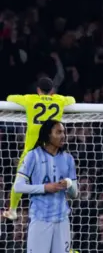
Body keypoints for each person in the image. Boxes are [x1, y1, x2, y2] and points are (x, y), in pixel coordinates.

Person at [13, 119, 78, 253]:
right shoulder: (33, 156)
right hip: (40, 217)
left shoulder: (68, 159)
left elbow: (75, 194)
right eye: (58, 132)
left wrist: (68, 184)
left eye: (64, 132)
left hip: (61, 219)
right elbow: (18, 187)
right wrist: (44, 187)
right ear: (48, 134)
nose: (62, 135)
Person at [3, 77, 76, 221]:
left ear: (38, 90)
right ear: (52, 91)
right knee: (55, 178)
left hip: (32, 148)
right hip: (51, 148)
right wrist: (55, 98)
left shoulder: (30, 99)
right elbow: (72, 100)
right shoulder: (59, 100)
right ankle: (63, 209)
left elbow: (9, 97)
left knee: (20, 179)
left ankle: (13, 210)